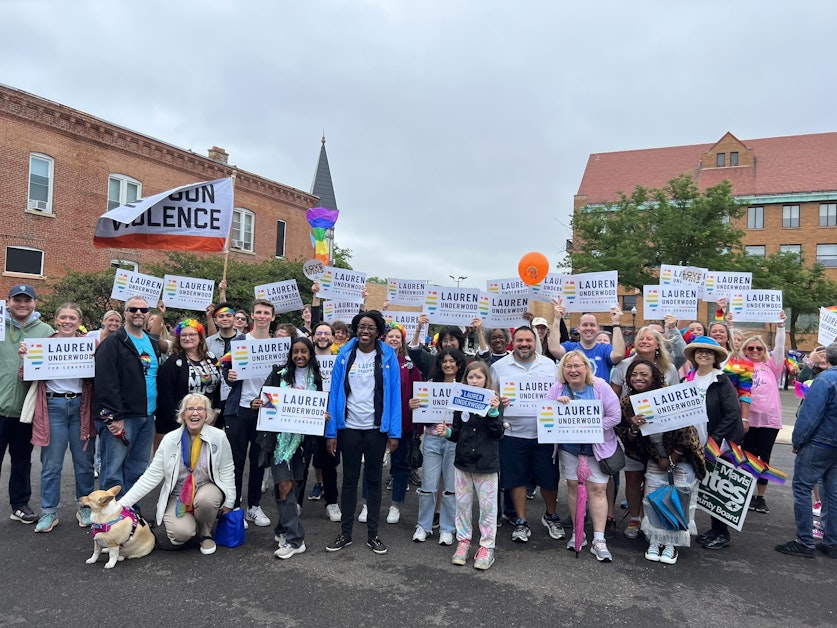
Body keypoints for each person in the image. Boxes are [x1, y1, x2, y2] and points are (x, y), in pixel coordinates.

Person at [119, 394, 235, 555]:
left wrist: (229, 500)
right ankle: (192, 522)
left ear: (207, 414)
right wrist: (123, 504)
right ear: (183, 414)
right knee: (180, 535)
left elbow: (227, 469)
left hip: (206, 488)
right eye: (190, 409)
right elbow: (151, 476)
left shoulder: (218, 436)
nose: (195, 413)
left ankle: (205, 533)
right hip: (179, 494)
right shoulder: (170, 440)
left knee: (206, 499)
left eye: (200, 409)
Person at [325, 311, 401, 555]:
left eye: (370, 327)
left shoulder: (388, 356)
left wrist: (394, 432)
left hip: (377, 428)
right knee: (348, 480)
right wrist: (331, 432)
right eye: (360, 327)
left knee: (374, 480)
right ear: (355, 330)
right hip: (349, 427)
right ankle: (345, 533)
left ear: (378, 331)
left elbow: (395, 395)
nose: (364, 331)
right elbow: (334, 391)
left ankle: (373, 534)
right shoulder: (344, 355)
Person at [620, 360, 706, 565]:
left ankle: (672, 544)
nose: (638, 378)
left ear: (654, 377)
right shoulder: (628, 402)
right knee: (653, 499)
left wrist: (672, 458)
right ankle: (656, 540)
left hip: (682, 456)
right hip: (655, 458)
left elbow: (686, 431)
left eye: (643, 374)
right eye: (634, 375)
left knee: (679, 498)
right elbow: (625, 436)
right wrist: (634, 428)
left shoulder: (668, 396)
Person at [21, 303, 94, 532]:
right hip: (53, 406)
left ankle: (85, 507)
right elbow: (24, 375)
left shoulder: (89, 345)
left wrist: (96, 358)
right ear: (56, 320)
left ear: (79, 322)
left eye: (73, 317)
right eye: (64, 317)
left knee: (84, 463)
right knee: (51, 464)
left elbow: (99, 376)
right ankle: (49, 512)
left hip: (82, 407)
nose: (68, 321)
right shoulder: (42, 345)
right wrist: (25, 357)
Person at [546, 350, 622, 562]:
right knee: (573, 487)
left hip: (598, 448)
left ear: (586, 368)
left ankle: (599, 539)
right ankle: (577, 532)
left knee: (597, 489)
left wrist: (592, 428)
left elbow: (615, 416)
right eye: (568, 367)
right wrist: (556, 408)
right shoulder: (557, 388)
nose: (573, 370)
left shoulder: (600, 386)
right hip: (570, 449)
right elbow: (545, 416)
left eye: (577, 366)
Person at [490, 326, 563, 543]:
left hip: (545, 433)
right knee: (516, 478)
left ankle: (550, 516)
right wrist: (498, 403)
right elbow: (491, 396)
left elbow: (560, 392)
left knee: (549, 480)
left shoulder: (550, 366)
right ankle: (521, 521)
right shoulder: (499, 367)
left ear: (535, 343)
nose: (524, 344)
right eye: (520, 340)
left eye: (528, 341)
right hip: (512, 433)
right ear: (513, 342)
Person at [610, 326, 679, 538]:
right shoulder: (623, 366)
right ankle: (634, 518)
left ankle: (652, 518)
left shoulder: (670, 369)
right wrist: (626, 423)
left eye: (650, 338)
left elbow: (676, 400)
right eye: (641, 337)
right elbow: (614, 399)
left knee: (653, 478)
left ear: (658, 344)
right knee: (632, 477)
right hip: (632, 432)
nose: (645, 341)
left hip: (660, 435)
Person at [259, 337, 325, 559]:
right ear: (290, 354)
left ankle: (281, 529)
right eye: (295, 352)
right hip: (279, 442)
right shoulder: (278, 374)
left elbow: (319, 404)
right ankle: (295, 539)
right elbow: (265, 400)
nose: (299, 356)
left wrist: (322, 414)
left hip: (303, 442)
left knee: (292, 486)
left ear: (310, 354)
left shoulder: (316, 378)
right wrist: (257, 403)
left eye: (304, 352)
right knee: (284, 485)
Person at [94, 296, 161, 498]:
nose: (138, 313)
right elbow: (106, 382)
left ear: (148, 313)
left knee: (138, 469)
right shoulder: (114, 342)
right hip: (122, 418)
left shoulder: (152, 342)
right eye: (133, 309)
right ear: (125, 313)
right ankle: (111, 521)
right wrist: (114, 417)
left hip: (147, 416)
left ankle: (131, 514)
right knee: (113, 471)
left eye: (143, 309)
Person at [775, 342, 837, 559]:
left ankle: (804, 541)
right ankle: (831, 541)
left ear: (827, 360)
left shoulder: (825, 380)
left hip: (820, 442)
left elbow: (810, 416)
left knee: (802, 488)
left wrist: (798, 441)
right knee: (832, 492)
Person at [683, 336, 745, 550]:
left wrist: (714, 440)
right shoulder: (687, 380)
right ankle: (713, 529)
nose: (703, 355)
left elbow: (732, 414)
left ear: (715, 357)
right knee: (704, 487)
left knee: (716, 489)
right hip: (693, 441)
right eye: (699, 351)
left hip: (716, 444)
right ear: (693, 355)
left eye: (708, 352)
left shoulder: (721, 380)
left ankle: (722, 532)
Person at [443, 361, 504, 570]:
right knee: (462, 505)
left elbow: (498, 433)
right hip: (463, 462)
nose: (474, 381)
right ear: (465, 379)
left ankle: (487, 547)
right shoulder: (460, 401)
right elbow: (458, 433)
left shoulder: (494, 401)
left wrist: (494, 412)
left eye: (478, 377)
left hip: (486, 463)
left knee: (488, 508)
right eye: (471, 377)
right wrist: (448, 433)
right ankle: (463, 542)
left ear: (486, 379)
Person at [1, 284, 54, 524]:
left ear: (35, 303)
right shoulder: (0, 325)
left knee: (22, 461)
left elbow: (56, 364)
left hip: (26, 410)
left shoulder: (45, 331)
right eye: (17, 300)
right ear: (8, 301)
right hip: (0, 407)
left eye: (27, 300)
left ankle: (20, 504)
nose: (22, 305)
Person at [222, 299, 275, 528]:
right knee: (235, 462)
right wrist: (230, 376)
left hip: (265, 411)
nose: (262, 316)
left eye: (266, 313)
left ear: (272, 317)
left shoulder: (277, 345)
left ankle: (254, 506)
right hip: (239, 409)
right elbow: (225, 369)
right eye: (259, 312)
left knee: (259, 461)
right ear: (252, 316)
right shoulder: (239, 341)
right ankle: (234, 507)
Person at [409, 348, 466, 545]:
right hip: (432, 439)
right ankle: (423, 526)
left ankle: (447, 528)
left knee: (450, 487)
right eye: (444, 361)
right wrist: (413, 404)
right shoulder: (430, 385)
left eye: (452, 361)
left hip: (454, 440)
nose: (448, 364)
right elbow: (419, 408)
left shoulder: (465, 387)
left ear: (459, 365)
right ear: (440, 365)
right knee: (428, 486)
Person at [736, 312, 787, 515]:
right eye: (751, 348)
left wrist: (781, 327)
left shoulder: (771, 367)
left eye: (759, 348)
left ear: (764, 350)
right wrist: (728, 323)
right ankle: (746, 495)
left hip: (769, 421)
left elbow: (781, 348)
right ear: (745, 350)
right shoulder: (739, 366)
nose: (755, 350)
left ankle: (760, 497)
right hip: (748, 419)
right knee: (747, 458)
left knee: (764, 458)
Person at [382, 322, 422, 526]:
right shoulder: (374, 360)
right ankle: (366, 504)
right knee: (372, 465)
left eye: (398, 336)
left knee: (400, 465)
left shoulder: (409, 364)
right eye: (391, 336)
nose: (394, 339)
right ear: (384, 339)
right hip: (376, 423)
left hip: (403, 423)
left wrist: (416, 401)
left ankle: (395, 505)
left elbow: (419, 389)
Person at [156, 319, 221, 435]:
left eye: (192, 334)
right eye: (183, 335)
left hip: (209, 421)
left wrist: (215, 413)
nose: (187, 338)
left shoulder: (211, 358)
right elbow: (165, 396)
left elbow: (218, 388)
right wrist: (180, 422)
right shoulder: (174, 361)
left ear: (200, 337)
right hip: (181, 423)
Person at [305, 322, 341, 522]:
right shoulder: (304, 359)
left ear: (333, 338)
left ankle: (332, 502)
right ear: (313, 336)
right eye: (319, 333)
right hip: (306, 416)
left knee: (329, 461)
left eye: (327, 333)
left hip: (330, 417)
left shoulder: (339, 361)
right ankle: (297, 503)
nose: (323, 336)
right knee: (301, 463)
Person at [547, 300, 626, 381]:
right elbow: (554, 348)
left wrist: (616, 323)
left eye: (592, 325)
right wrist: (557, 318)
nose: (588, 328)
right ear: (578, 329)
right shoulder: (570, 347)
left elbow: (618, 354)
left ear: (597, 329)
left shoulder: (605, 349)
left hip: (599, 393)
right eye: (585, 325)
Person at [205, 301, 239, 429]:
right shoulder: (207, 343)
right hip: (214, 396)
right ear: (215, 320)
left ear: (234, 318)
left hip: (236, 396)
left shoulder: (245, 341)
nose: (225, 318)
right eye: (221, 316)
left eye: (228, 315)